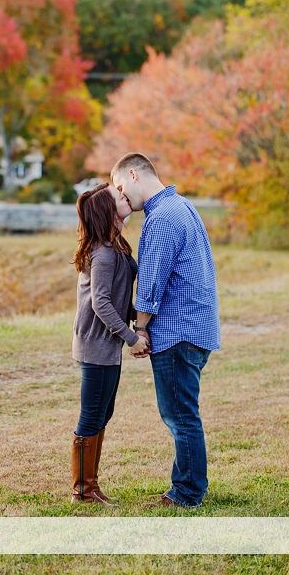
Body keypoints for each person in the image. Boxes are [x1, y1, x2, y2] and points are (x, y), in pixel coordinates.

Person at [111, 152, 221, 508]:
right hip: (197, 327)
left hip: (177, 331)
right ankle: (192, 485)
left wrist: (138, 331)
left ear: (132, 174)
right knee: (183, 411)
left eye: (120, 188)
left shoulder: (160, 219)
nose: (121, 197)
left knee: (179, 415)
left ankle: (187, 494)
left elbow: (151, 286)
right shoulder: (182, 205)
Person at [71, 182, 149, 504]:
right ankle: (83, 491)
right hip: (96, 346)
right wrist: (132, 337)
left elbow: (116, 299)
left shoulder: (114, 246)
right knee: (91, 416)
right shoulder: (103, 254)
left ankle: (91, 484)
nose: (124, 197)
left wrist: (140, 320)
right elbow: (101, 304)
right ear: (108, 210)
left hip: (107, 345)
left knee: (104, 414)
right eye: (118, 197)